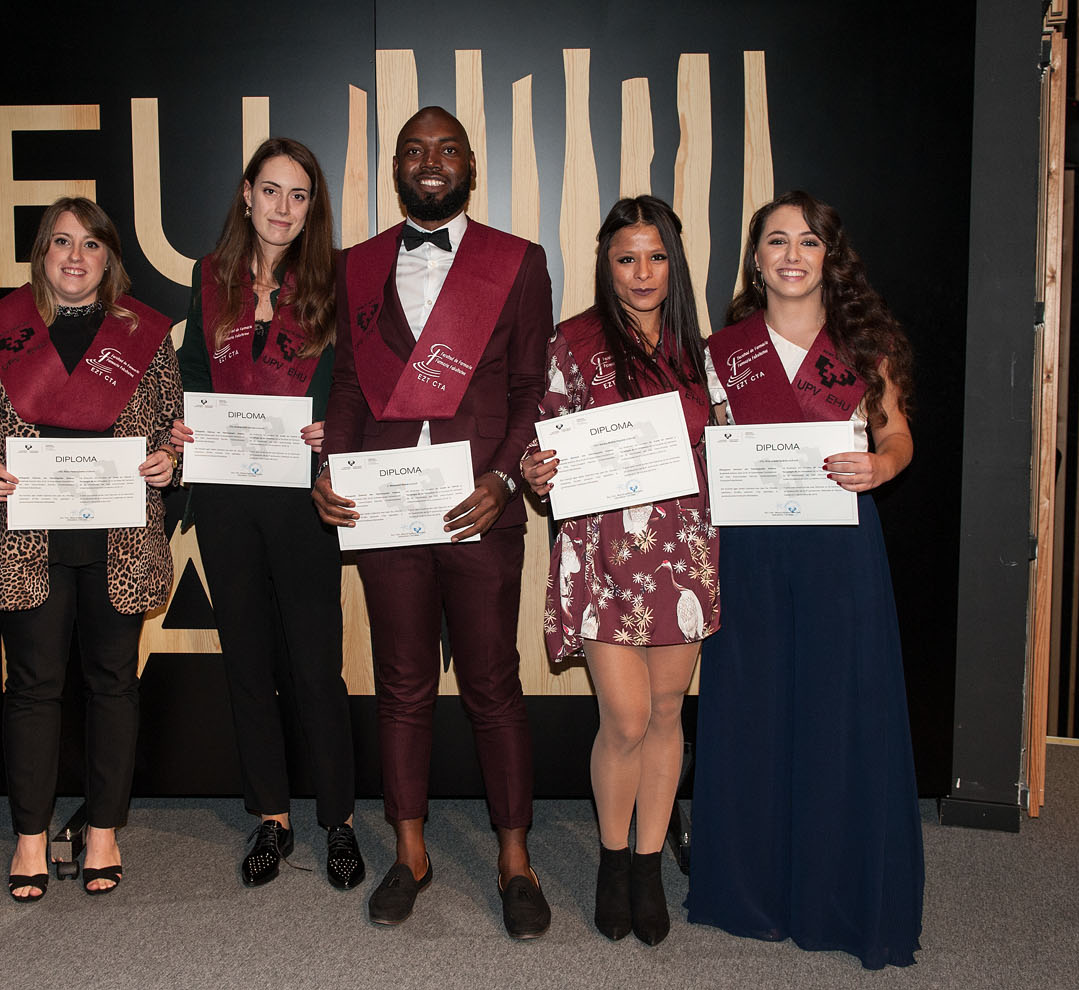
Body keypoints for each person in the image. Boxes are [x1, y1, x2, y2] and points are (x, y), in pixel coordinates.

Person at [313, 106, 554, 937]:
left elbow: (530, 387)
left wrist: (503, 480)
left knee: (492, 685)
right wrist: (330, 470)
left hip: (480, 505)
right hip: (386, 507)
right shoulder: (358, 264)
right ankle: (410, 854)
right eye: (414, 150)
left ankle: (515, 861)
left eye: (447, 149)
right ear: (395, 167)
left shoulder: (517, 262)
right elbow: (350, 386)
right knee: (403, 685)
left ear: (469, 164)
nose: (430, 161)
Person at [686, 190, 923, 968]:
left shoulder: (862, 348)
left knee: (839, 712)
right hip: (748, 551)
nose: (792, 254)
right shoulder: (719, 353)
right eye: (777, 240)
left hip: (839, 549)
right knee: (750, 712)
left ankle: (835, 894)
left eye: (809, 241)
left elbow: (897, 434)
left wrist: (882, 465)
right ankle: (749, 891)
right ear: (755, 260)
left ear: (829, 258)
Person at [0, 197, 181, 902]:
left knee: (113, 684)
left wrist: (169, 461)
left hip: (119, 539)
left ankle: (103, 830)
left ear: (109, 258)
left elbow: (175, 426)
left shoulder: (143, 336)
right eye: (63, 242)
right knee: (33, 687)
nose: (76, 257)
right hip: (26, 538)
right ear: (42, 251)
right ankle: (30, 835)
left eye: (91, 245)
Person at [521, 196, 718, 946]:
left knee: (667, 714)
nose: (642, 273)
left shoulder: (703, 349)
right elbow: (541, 431)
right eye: (626, 258)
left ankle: (646, 864)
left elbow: (729, 441)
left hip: (684, 550)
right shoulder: (573, 342)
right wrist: (536, 468)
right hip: (603, 552)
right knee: (627, 717)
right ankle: (611, 857)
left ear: (674, 262)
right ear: (606, 265)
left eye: (656, 257)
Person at [169, 138, 363, 890]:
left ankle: (339, 820)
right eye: (272, 190)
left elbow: (354, 378)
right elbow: (193, 368)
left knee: (315, 666)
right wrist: (185, 423)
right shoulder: (210, 278)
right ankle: (272, 817)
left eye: (299, 195)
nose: (284, 208)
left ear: (313, 208)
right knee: (246, 660)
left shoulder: (335, 280)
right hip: (224, 493)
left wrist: (332, 425)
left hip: (302, 494)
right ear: (246, 195)